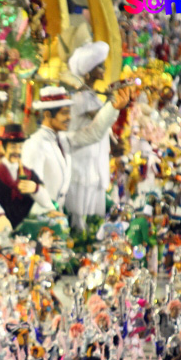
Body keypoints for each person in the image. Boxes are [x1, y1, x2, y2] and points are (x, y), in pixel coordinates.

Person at [23, 85, 130, 213]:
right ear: (47, 115)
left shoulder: (63, 140)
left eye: (69, 112)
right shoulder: (35, 144)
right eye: (64, 113)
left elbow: (93, 133)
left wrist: (113, 108)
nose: (69, 117)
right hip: (39, 217)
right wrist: (50, 209)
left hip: (56, 216)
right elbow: (31, 186)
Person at [66, 41, 115, 231]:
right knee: (80, 198)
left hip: (94, 154)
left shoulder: (92, 95)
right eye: (99, 67)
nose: (103, 69)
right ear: (89, 71)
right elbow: (101, 120)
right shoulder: (81, 97)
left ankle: (87, 234)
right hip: (82, 154)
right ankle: (78, 234)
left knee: (91, 194)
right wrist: (114, 102)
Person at [0, 124, 58, 233]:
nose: (17, 151)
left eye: (20, 147)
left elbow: (44, 196)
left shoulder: (28, 173)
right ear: (3, 148)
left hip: (23, 230)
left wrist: (36, 189)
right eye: (13, 147)